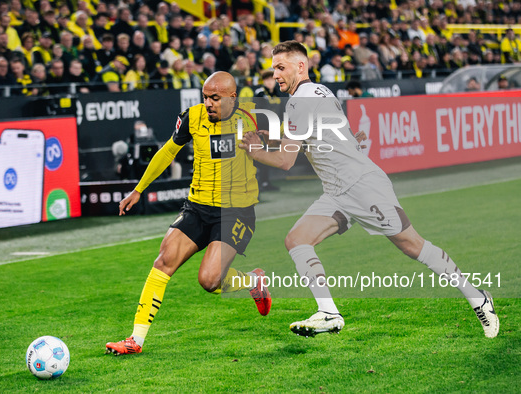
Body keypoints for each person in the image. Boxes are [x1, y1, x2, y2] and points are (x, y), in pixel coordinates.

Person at [239, 41, 499, 339]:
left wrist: (256, 151)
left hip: (361, 185)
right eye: (273, 69)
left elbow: (286, 161)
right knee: (297, 239)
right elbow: (317, 138)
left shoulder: (300, 101)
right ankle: (329, 313)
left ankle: (478, 297)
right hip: (338, 190)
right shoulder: (319, 91)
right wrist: (269, 140)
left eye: (281, 67)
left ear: (301, 66)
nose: (276, 75)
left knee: (413, 246)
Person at [105, 72, 272, 356]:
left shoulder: (254, 116)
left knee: (209, 281)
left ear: (233, 97)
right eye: (205, 97)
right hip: (197, 207)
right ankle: (136, 340)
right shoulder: (192, 117)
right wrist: (138, 190)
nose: (208, 103)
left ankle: (252, 280)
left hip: (236, 211)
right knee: (163, 261)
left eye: (215, 98)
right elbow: (167, 152)